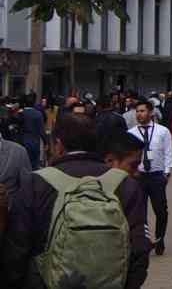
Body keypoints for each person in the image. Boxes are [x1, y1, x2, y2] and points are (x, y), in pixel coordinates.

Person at [2, 113, 149, 288]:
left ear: (58, 145)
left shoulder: (36, 183)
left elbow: (17, 250)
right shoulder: (125, 184)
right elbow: (139, 250)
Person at [128, 97, 172, 255]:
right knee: (139, 211)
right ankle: (144, 241)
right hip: (138, 176)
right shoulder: (131, 133)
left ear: (151, 112)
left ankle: (160, 239)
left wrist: (167, 172)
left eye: (142, 111)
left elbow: (168, 152)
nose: (139, 115)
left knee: (161, 211)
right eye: (137, 112)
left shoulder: (162, 131)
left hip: (156, 176)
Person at [19, 94, 45, 170]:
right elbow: (41, 130)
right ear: (34, 103)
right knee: (34, 164)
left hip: (22, 141)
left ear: (24, 103)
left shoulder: (20, 113)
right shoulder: (38, 114)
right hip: (34, 141)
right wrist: (46, 142)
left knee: (22, 165)